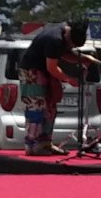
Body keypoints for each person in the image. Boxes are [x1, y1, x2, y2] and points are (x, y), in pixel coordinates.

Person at [21, 19, 85, 156]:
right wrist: (69, 79)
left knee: (50, 108)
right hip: (32, 72)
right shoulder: (54, 39)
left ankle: (45, 142)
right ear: (69, 35)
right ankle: (32, 144)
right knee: (36, 107)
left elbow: (64, 54)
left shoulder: (62, 34)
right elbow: (52, 67)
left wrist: (84, 59)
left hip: (44, 73)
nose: (71, 47)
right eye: (72, 44)